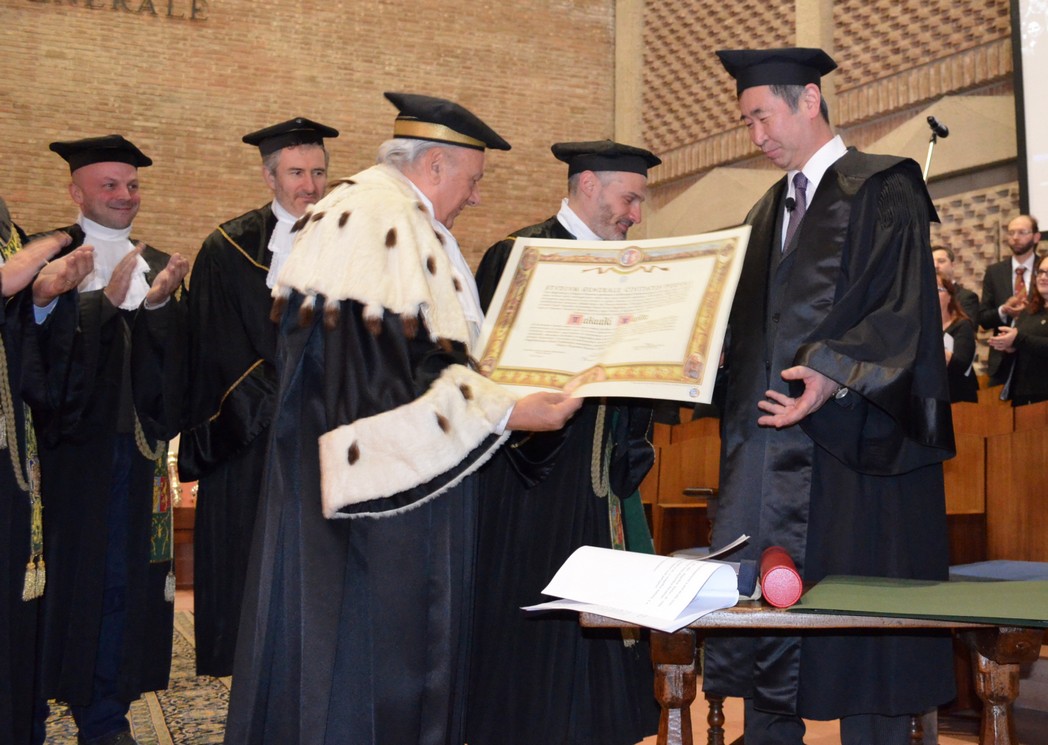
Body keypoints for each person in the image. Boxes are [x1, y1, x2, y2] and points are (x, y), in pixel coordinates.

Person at [224, 92, 582, 745]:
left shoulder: (381, 214)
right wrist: (506, 409)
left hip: (364, 487)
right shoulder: (378, 222)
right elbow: (387, 377)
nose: (476, 197)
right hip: (377, 510)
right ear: (436, 164)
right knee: (371, 666)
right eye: (473, 180)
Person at [706, 48, 956, 744]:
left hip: (857, 450)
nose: (756, 135)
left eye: (762, 117)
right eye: (747, 121)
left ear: (810, 100)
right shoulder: (763, 213)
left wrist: (832, 371)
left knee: (864, 644)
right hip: (772, 455)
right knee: (771, 629)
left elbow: (904, 310)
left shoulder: (885, 187)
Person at [468, 140, 662, 745]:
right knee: (535, 619)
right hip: (529, 480)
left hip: (604, 476)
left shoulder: (633, 268)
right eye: (628, 199)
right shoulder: (519, 256)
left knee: (601, 618)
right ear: (588, 185)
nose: (635, 215)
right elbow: (484, 376)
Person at [31, 135, 189, 745]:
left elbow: (171, 368)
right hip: (68, 460)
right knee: (62, 585)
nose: (126, 196)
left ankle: (105, 713)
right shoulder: (48, 255)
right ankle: (35, 706)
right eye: (110, 185)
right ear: (76, 192)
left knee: (123, 584)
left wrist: (158, 309)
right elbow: (32, 354)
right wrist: (97, 305)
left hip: (136, 453)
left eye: (132, 185)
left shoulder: (155, 260)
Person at [178, 117, 338, 677]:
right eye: (296, 173)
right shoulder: (227, 249)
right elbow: (214, 346)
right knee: (248, 561)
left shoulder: (352, 240)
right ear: (270, 177)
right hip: (252, 437)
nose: (310, 186)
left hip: (329, 432)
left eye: (318, 172)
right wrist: (283, 393)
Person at [1, 201, 93, 745]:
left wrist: (40, 301)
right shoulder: (19, 247)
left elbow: (22, 348)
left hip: (11, 453)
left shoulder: (8, 232)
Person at [978, 214, 1041, 386]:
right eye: (1011, 232)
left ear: (1036, 237)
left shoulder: (1044, 268)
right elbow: (983, 319)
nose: (1015, 237)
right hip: (1002, 361)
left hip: (1038, 358)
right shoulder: (994, 272)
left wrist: (1029, 311)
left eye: (1022, 232)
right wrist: (1003, 310)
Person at [987, 254, 1048, 405]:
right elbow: (1023, 345)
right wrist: (1009, 347)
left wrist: (1017, 338)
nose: (1043, 277)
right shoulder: (1029, 310)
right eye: (1040, 272)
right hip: (1023, 392)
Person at [939, 277, 979, 403]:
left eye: (938, 290)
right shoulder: (922, 327)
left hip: (958, 397)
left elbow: (961, 363)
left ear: (950, 296)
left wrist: (936, 350)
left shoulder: (962, 326)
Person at [932, 245, 979, 324]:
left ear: (952, 265)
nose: (935, 266)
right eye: (931, 262)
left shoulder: (967, 297)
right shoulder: (920, 296)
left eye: (941, 261)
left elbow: (968, 327)